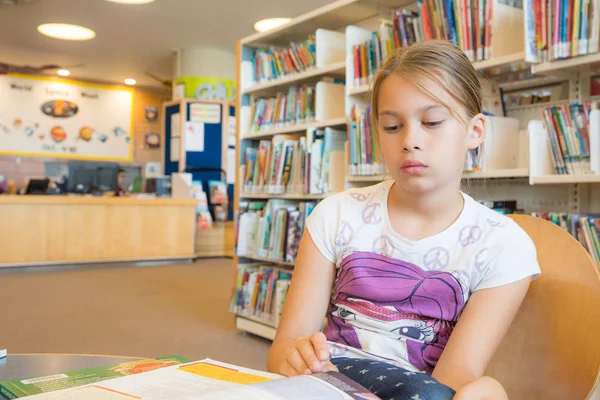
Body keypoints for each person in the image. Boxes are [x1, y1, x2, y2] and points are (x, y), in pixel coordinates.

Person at [266, 41, 541, 400]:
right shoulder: (336, 214)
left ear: (474, 132)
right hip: (328, 384)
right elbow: (281, 352)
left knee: (483, 393)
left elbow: (453, 379)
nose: (410, 141)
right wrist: (295, 357)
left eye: (432, 122)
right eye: (393, 126)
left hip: (420, 392)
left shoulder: (504, 246)